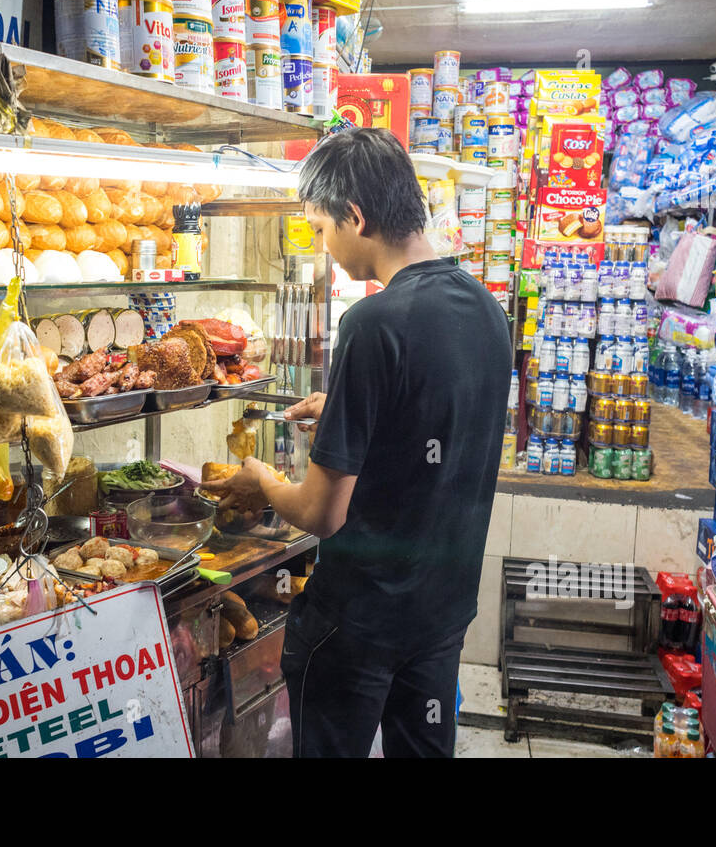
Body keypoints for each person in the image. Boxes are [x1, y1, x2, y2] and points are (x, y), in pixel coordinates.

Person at [202, 127, 513, 757]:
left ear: (356, 217)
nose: (323, 247)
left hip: (360, 619)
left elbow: (321, 513)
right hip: (442, 610)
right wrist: (347, 411)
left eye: (321, 229)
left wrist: (261, 480)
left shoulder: (371, 322)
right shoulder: (486, 309)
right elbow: (436, 432)